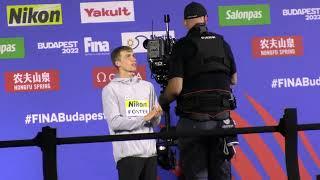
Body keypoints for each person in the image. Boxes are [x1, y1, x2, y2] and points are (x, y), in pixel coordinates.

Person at [159, 2, 238, 180]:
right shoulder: (222, 42)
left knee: (197, 175)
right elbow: (233, 80)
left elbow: (175, 88)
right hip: (223, 122)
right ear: (206, 19)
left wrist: (162, 102)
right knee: (222, 175)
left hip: (194, 122)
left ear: (186, 22)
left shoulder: (182, 45)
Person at [102, 46, 162, 180]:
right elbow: (115, 123)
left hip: (150, 153)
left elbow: (155, 122)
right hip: (128, 155)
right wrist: (145, 117)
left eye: (134, 56)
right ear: (117, 63)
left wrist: (157, 115)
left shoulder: (147, 86)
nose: (133, 59)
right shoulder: (110, 89)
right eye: (128, 56)